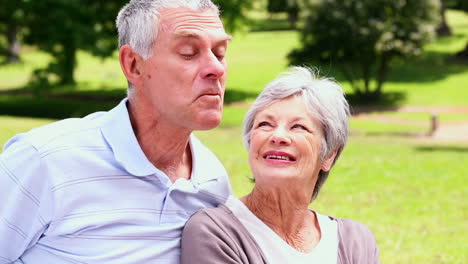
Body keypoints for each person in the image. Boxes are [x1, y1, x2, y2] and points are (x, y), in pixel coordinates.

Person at [0, 0, 233, 263]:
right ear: (133, 64)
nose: (217, 68)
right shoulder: (44, 160)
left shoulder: (213, 181)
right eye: (189, 52)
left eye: (220, 53)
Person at [181, 66, 380, 264]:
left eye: (298, 127)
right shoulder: (214, 232)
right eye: (265, 124)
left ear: (328, 155)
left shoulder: (355, 242)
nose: (278, 136)